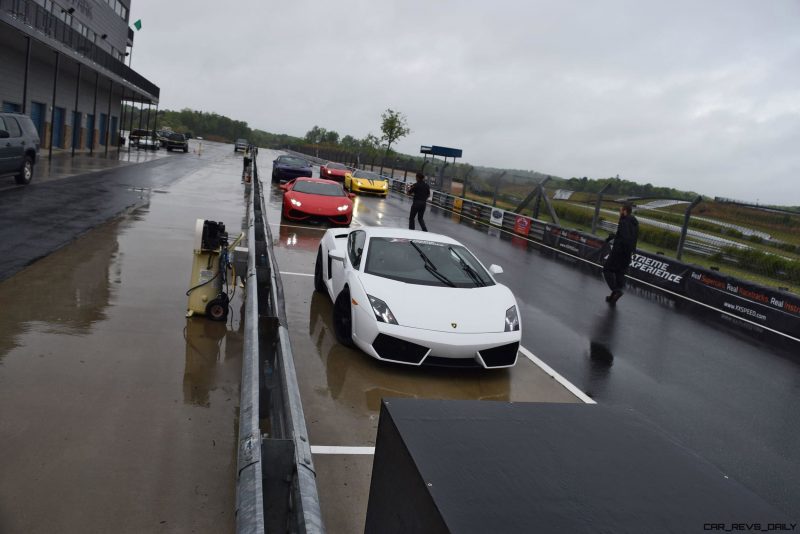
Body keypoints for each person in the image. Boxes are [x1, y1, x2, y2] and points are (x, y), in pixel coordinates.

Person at [602, 203, 639, 305]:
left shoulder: (624, 221)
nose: (619, 212)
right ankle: (614, 296)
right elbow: (631, 237)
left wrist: (617, 249)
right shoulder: (635, 223)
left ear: (625, 211)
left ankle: (616, 290)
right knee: (620, 273)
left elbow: (625, 238)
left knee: (607, 269)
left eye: (620, 210)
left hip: (619, 251)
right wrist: (613, 237)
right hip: (628, 253)